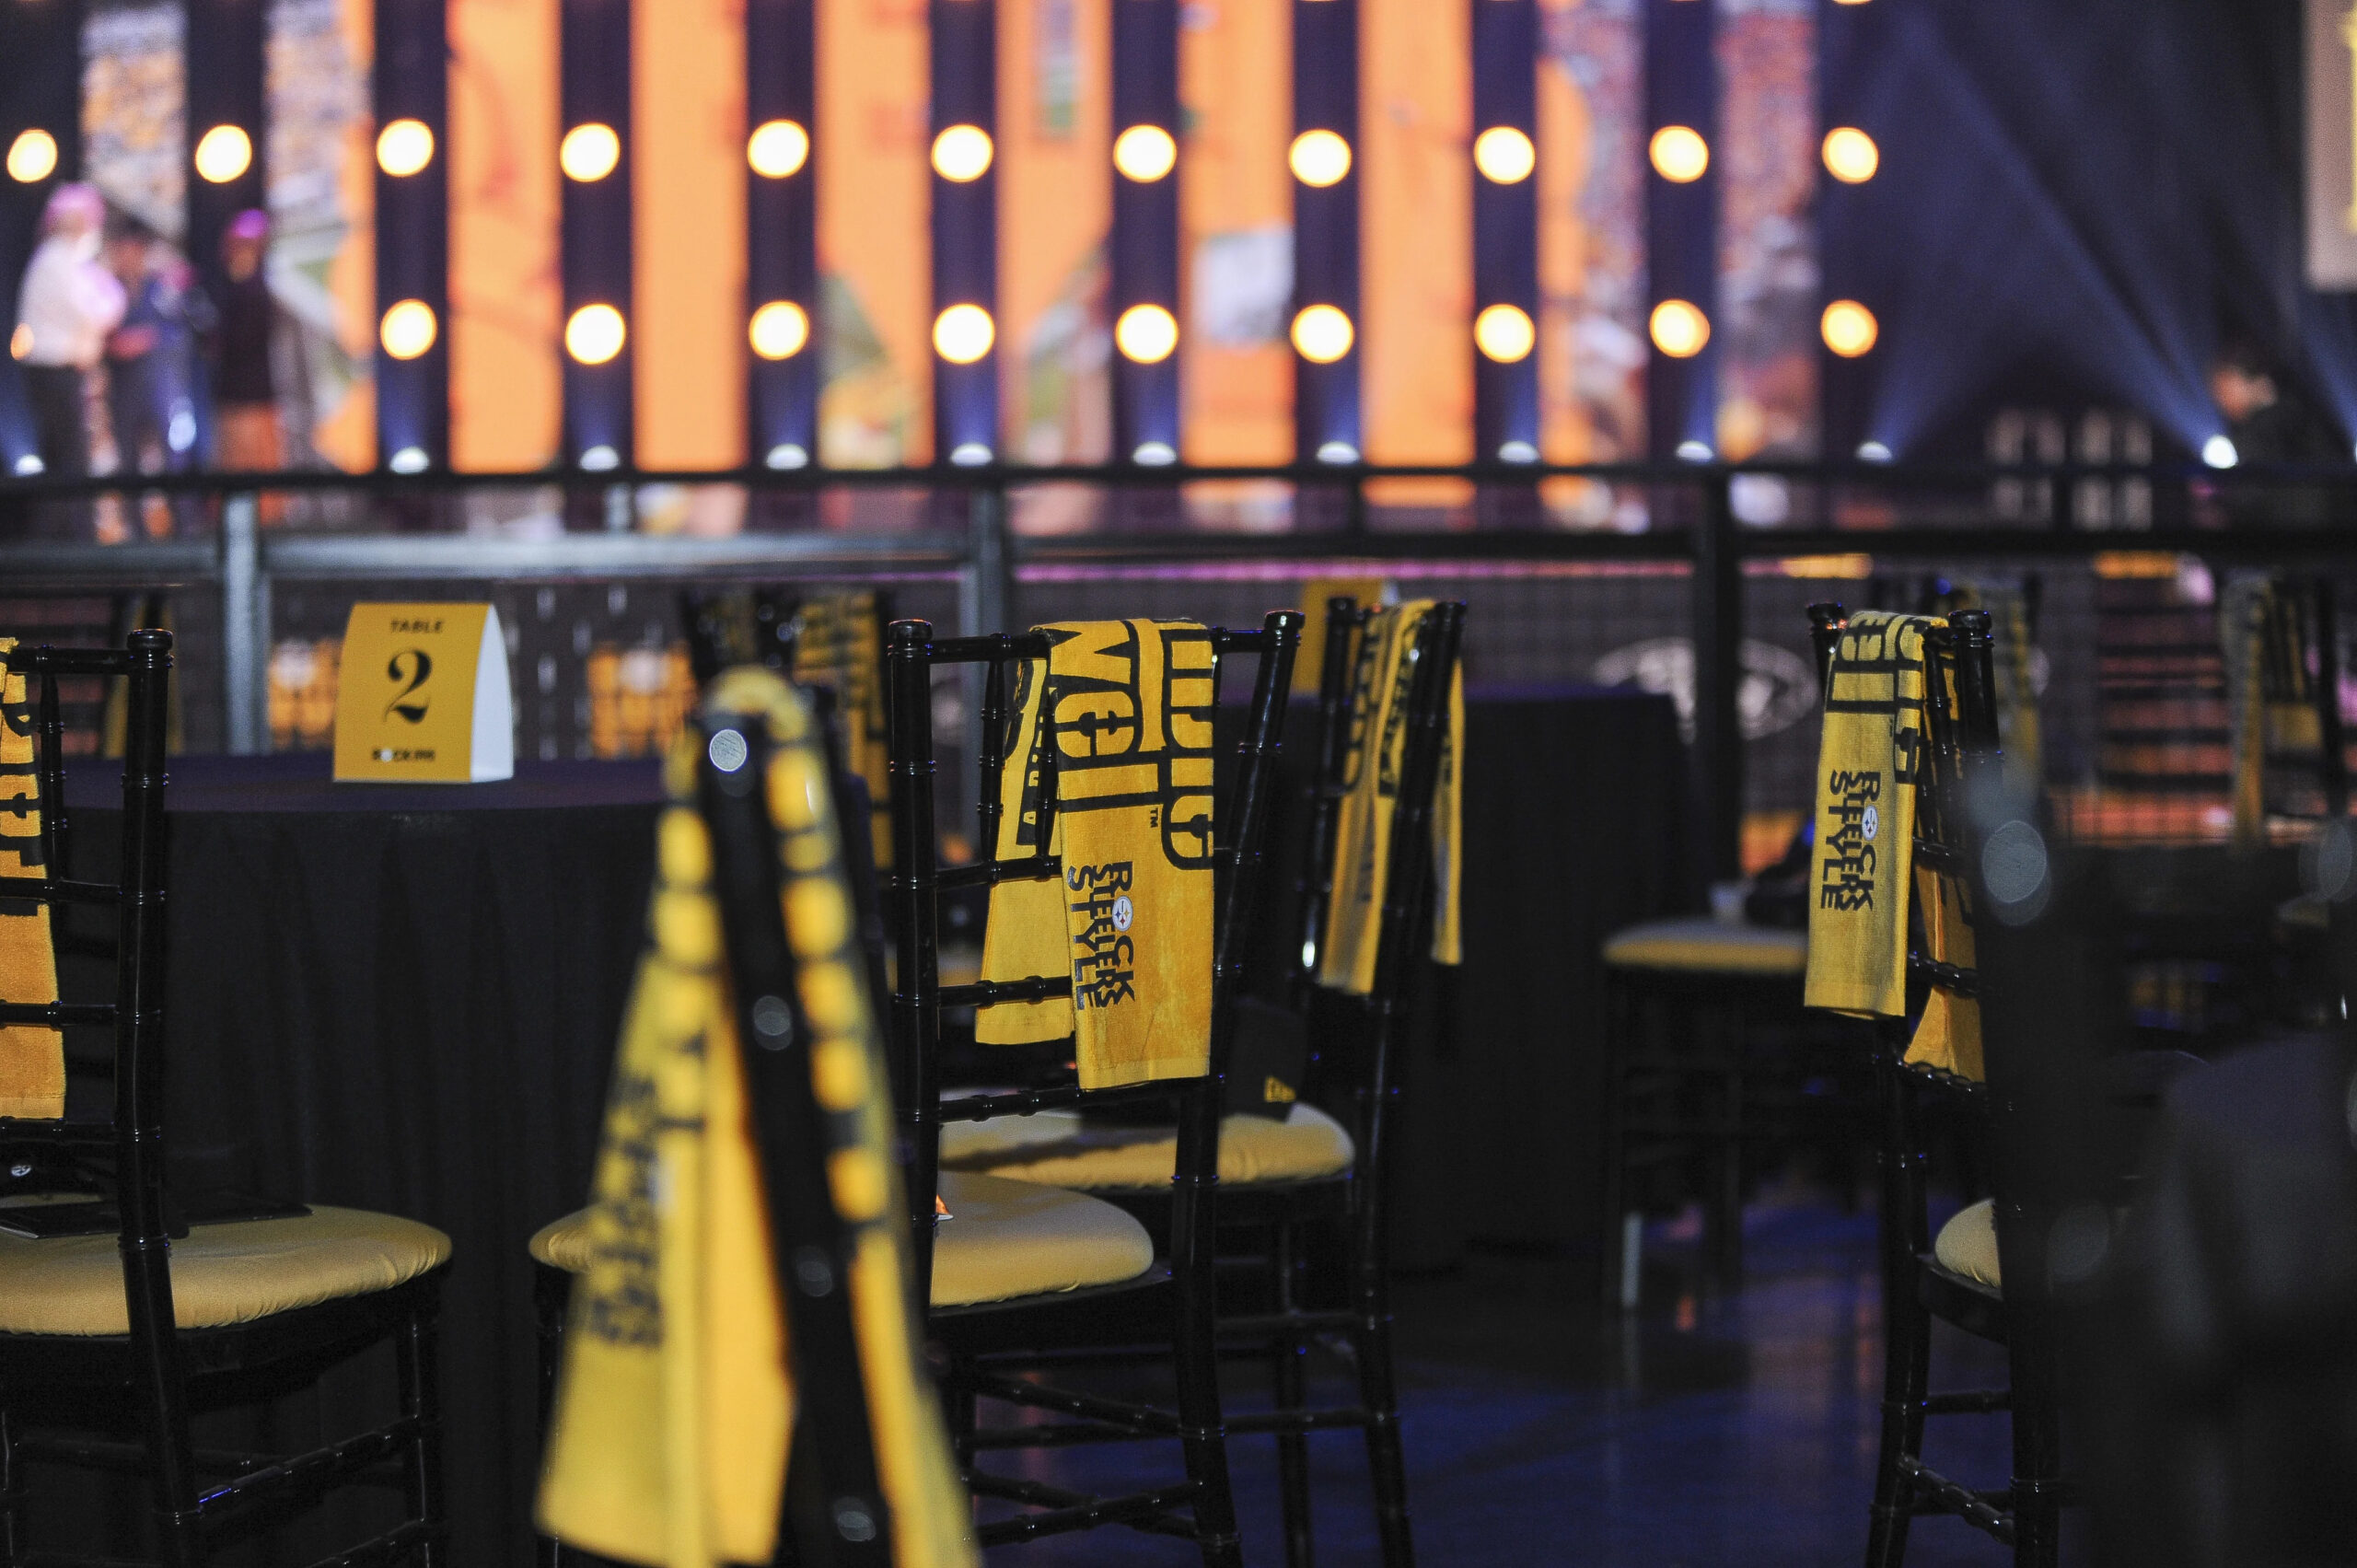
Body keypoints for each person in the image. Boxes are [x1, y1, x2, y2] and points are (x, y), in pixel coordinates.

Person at [12, 183, 124, 487]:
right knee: (69, 460)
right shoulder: (56, 260)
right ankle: (70, 532)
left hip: (64, 373)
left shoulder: (74, 263)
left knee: (67, 457)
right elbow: (98, 313)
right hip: (54, 373)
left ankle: (63, 528)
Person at [211, 208, 283, 482]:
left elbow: (240, 341)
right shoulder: (232, 287)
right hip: (232, 394)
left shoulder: (255, 291)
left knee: (252, 468)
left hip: (252, 397)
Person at [102, 216, 167, 476]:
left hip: (157, 386)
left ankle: (184, 516)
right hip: (122, 389)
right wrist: (113, 344)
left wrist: (147, 339)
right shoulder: (106, 289)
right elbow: (100, 336)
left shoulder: (158, 287)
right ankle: (133, 518)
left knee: (170, 456)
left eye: (133, 251)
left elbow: (177, 329)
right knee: (128, 460)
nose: (127, 257)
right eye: (122, 251)